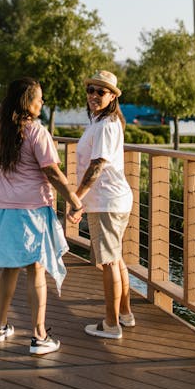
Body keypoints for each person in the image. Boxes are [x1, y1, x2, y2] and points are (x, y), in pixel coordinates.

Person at [0, 77, 83, 355]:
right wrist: (72, 198)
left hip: (3, 207)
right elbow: (51, 171)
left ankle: (0, 327)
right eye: (39, 98)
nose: (42, 102)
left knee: (9, 267)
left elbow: (1, 169)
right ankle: (38, 335)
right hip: (31, 209)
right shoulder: (37, 132)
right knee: (36, 268)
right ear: (28, 102)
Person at [67, 70, 134, 340]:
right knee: (115, 258)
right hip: (110, 200)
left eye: (101, 92)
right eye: (91, 90)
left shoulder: (106, 124)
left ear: (112, 97)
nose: (94, 95)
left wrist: (76, 198)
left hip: (107, 201)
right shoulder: (101, 121)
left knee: (108, 262)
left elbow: (97, 165)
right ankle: (125, 315)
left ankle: (110, 324)